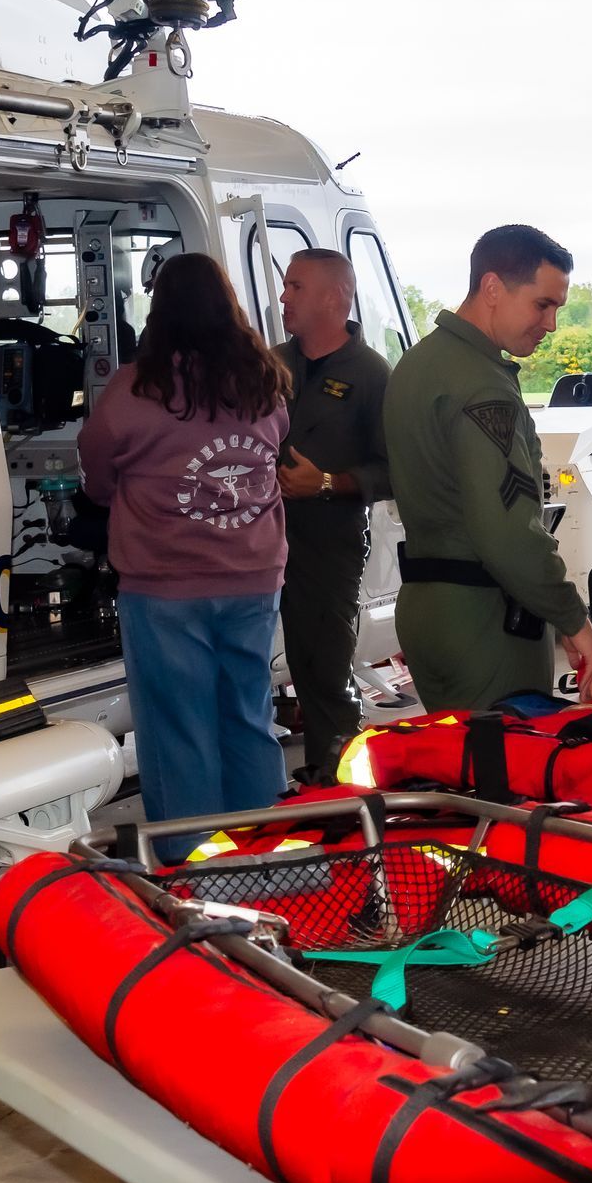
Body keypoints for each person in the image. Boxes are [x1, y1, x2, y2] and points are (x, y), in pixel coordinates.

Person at [79, 252, 291, 834]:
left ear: (160, 310)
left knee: (179, 726)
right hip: (252, 578)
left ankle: (188, 864)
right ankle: (261, 850)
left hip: (164, 587)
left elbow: (96, 474)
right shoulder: (265, 384)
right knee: (249, 714)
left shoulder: (134, 391)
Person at [385, 225, 592, 711]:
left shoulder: (419, 364)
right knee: (502, 775)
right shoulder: (483, 386)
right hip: (483, 621)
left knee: (452, 772)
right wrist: (573, 619)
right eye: (542, 305)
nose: (550, 324)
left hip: (429, 607)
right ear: (492, 288)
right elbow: (507, 534)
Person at [272, 249, 391, 782]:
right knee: (275, 667)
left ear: (332, 297)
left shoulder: (371, 376)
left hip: (328, 541)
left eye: (295, 287)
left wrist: (324, 482)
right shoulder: (270, 365)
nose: (283, 297)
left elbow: (396, 470)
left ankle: (339, 784)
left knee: (324, 670)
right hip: (254, 542)